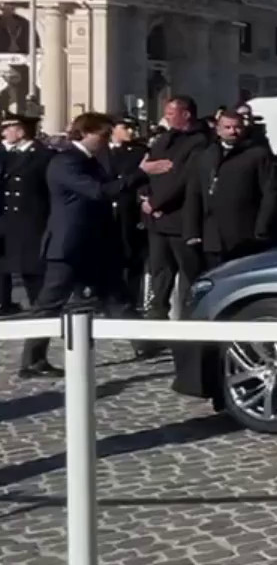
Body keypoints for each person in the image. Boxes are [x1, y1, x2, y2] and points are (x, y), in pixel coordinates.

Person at [21, 114, 170, 374]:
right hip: (69, 245)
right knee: (49, 304)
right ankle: (32, 361)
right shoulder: (66, 161)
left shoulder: (89, 161)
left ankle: (144, 342)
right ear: (85, 133)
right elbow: (99, 191)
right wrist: (140, 173)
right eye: (102, 135)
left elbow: (109, 187)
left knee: (117, 297)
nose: (105, 141)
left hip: (95, 243)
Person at [183, 109, 277, 270]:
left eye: (237, 127)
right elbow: (194, 194)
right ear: (218, 129)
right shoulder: (205, 156)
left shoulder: (258, 154)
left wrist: (262, 228)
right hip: (212, 236)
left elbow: (270, 193)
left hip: (244, 235)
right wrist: (192, 231)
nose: (232, 132)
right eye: (227, 127)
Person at [142, 96, 210, 325]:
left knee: (190, 273)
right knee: (159, 272)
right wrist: (145, 198)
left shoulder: (200, 142)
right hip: (157, 219)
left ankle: (193, 319)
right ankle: (156, 318)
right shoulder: (164, 139)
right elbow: (146, 168)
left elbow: (183, 178)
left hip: (180, 218)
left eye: (171, 112)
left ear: (186, 114)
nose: (167, 117)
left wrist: (157, 202)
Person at [0, 116, 52, 316]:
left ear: (20, 131)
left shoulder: (42, 155)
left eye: (7, 128)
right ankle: (3, 303)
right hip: (5, 218)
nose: (4, 133)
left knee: (30, 267)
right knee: (3, 264)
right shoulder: (5, 154)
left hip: (30, 219)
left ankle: (40, 306)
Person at [107, 119, 150, 306]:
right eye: (125, 127)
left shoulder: (139, 152)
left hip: (130, 212)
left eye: (133, 127)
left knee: (133, 256)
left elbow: (145, 180)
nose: (131, 131)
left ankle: (133, 299)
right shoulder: (101, 153)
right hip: (107, 212)